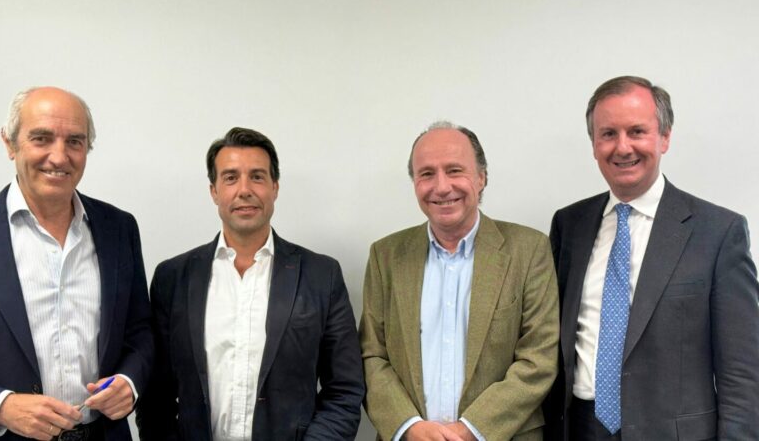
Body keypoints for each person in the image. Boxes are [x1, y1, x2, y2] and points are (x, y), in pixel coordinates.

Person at [544, 76, 759, 440]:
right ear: (594, 145)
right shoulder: (569, 226)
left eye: (637, 131)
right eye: (608, 134)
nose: (622, 147)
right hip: (580, 428)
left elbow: (742, 372)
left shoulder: (719, 232)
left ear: (665, 137)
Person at [136, 127, 364, 441]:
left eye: (257, 177)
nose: (244, 190)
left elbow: (344, 390)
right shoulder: (173, 278)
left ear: (275, 187)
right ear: (214, 191)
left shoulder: (321, 276)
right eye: (231, 178)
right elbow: (154, 396)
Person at [0, 87, 153, 440]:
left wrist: (129, 380)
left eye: (74, 142)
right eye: (42, 139)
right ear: (9, 143)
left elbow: (140, 331)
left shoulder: (119, 228)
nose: (59, 157)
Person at [360, 121, 559, 441]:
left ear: (481, 178)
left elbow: (538, 359)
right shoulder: (386, 256)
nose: (441, 187)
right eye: (427, 174)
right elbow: (372, 355)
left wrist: (470, 430)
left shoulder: (529, 249)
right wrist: (409, 427)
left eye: (454, 170)